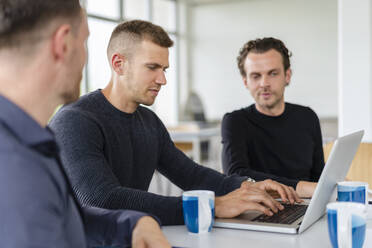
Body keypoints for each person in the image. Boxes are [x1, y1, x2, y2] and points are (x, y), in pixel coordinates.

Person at [49, 20, 302, 226]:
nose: (162, 80)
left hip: (128, 236)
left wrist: (250, 187)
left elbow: (191, 175)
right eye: (152, 67)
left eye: (165, 69)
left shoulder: (148, 121)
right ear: (119, 64)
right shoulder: (75, 121)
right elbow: (103, 199)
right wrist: (212, 206)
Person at [0, 1, 170, 247]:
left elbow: (61, 217)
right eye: (84, 41)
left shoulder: (32, 138)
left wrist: (130, 225)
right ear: (63, 44)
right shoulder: (14, 163)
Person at [222, 37, 324, 198]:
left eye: (273, 73)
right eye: (256, 76)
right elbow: (236, 175)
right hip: (260, 207)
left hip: (307, 205)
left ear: (287, 75)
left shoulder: (307, 117)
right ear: (245, 82)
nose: (264, 83)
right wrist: (300, 187)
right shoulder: (235, 122)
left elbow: (318, 176)